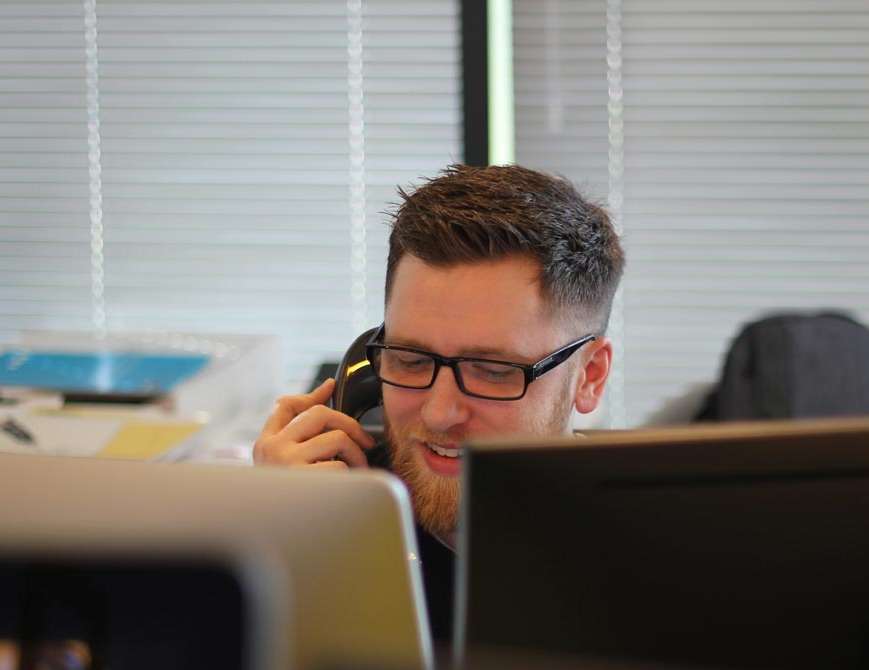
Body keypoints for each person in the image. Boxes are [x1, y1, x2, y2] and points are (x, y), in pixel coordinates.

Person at [254, 163, 624, 643]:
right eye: (409, 359)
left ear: (589, 376)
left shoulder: (652, 568)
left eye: (493, 371)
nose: (438, 413)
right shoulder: (325, 514)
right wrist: (268, 539)